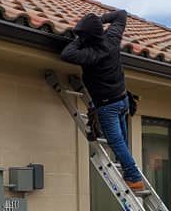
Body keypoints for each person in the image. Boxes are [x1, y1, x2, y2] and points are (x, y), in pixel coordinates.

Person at [60, 10, 146, 192]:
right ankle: (130, 173)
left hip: (108, 106)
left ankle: (134, 177)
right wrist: (100, 20)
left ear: (87, 37)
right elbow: (121, 15)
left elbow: (67, 54)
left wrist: (80, 39)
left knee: (116, 142)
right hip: (122, 100)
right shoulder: (112, 39)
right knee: (121, 141)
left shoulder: (91, 54)